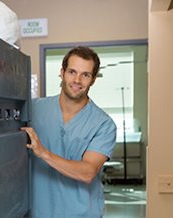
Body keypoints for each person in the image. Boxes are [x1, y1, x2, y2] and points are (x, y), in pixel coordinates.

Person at [21, 46, 117, 217]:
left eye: (85, 75)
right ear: (62, 72)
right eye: (72, 72)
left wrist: (43, 153)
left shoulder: (103, 124)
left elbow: (88, 172)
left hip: (81, 213)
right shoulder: (33, 110)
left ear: (93, 79)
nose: (77, 80)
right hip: (39, 211)